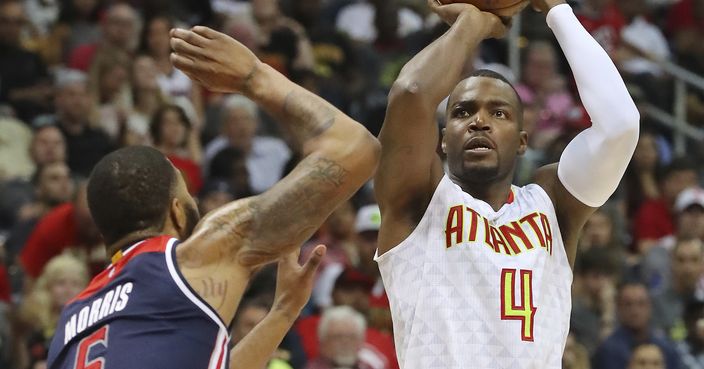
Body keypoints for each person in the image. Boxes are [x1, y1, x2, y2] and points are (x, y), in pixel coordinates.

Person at [46, 24, 380, 369]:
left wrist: (282, 312)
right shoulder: (191, 259)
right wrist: (255, 77)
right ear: (177, 212)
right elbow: (354, 148)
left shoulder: (74, 317)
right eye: (187, 195)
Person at [374, 1, 640, 368]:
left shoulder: (552, 203)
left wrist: (557, 10)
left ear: (521, 140)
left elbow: (621, 125)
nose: (478, 122)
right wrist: (472, 23)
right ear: (443, 140)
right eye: (462, 112)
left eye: (498, 113)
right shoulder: (417, 200)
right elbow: (410, 92)